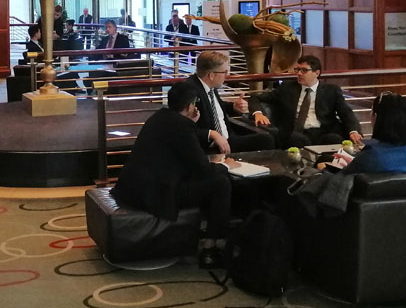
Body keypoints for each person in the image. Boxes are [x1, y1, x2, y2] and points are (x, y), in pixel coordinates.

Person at [110, 81, 232, 269]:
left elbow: (180, 140)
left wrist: (193, 125)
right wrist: (225, 166)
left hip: (131, 188)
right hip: (155, 195)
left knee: (211, 180)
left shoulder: (158, 117)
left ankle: (205, 233)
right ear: (190, 106)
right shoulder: (182, 126)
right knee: (220, 182)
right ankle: (210, 249)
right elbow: (202, 168)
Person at [248, 54, 363, 148]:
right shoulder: (287, 88)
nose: (298, 73)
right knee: (295, 140)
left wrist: (353, 131)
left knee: (335, 139)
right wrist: (258, 113)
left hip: (323, 132)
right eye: (297, 69)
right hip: (296, 132)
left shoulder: (331, 90)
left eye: (304, 70)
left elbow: (346, 112)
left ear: (317, 73)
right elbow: (255, 98)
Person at [188, 50, 274, 154]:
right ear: (211, 75)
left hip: (229, 138)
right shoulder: (189, 91)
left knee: (268, 138)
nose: (227, 75)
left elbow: (212, 107)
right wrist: (211, 134)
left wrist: (233, 106)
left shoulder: (210, 86)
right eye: (224, 72)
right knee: (267, 141)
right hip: (211, 146)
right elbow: (183, 128)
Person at [342, 92, 406, 175]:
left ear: (376, 117)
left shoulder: (371, 156)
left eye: (371, 111)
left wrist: (354, 164)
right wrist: (356, 163)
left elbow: (343, 178)